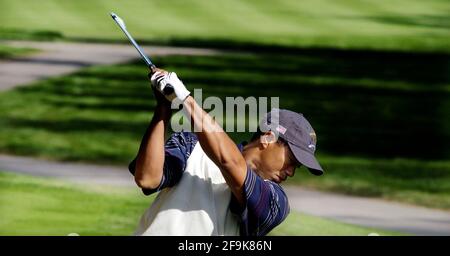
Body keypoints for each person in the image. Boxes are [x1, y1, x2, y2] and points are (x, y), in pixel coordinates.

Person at [128, 69, 323, 236]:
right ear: (268, 138)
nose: (291, 172)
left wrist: (185, 99)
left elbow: (230, 163)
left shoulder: (276, 202)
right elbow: (148, 179)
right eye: (291, 160)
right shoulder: (190, 144)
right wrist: (163, 108)